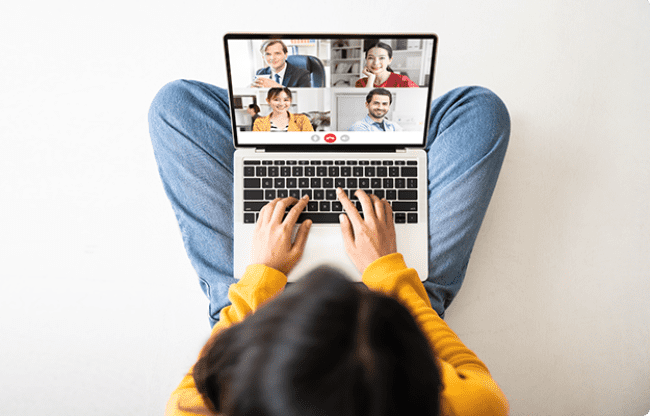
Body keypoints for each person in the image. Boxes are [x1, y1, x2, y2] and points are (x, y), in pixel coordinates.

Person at [149, 79, 511, 415]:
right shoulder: (471, 404)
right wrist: (387, 269)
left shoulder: (201, 407)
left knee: (175, 104)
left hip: (260, 324)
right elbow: (477, 388)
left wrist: (260, 275)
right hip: (396, 313)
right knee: (478, 110)